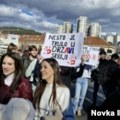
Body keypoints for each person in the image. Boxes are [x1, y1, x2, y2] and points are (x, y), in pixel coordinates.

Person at [0, 52, 34, 120]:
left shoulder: (24, 84)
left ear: (17, 65)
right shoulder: (1, 79)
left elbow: (28, 109)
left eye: (10, 64)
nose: (5, 66)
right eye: (4, 63)